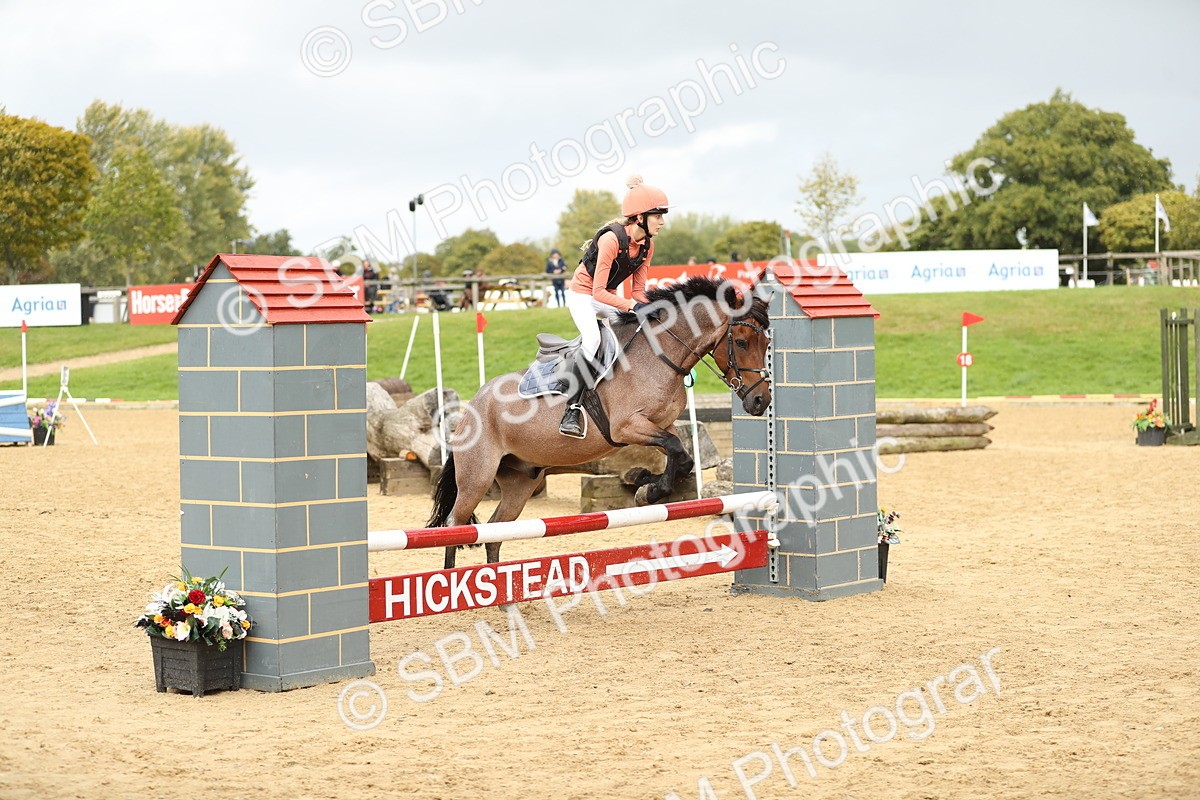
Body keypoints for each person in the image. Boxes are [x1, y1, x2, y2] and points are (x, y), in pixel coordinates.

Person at [558, 174, 668, 438]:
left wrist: (653, 309)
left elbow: (638, 292)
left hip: (606, 296)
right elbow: (597, 291)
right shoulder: (610, 240)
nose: (662, 222)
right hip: (583, 295)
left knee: (641, 327)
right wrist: (632, 306)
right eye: (658, 216)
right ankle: (571, 408)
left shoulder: (646, 246)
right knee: (593, 340)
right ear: (640, 217)